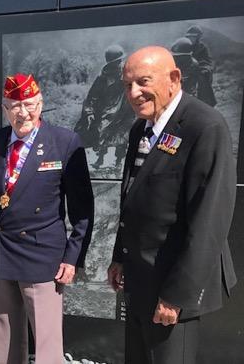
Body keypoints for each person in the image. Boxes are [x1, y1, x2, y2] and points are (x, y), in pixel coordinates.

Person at [107, 46, 237, 364]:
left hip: (171, 286)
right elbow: (133, 197)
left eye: (143, 82)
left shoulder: (205, 127)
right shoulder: (142, 128)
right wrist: (119, 257)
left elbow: (210, 221)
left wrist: (177, 295)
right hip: (139, 278)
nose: (134, 93)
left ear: (174, 79)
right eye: (127, 85)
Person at [0, 73, 94, 364]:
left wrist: (72, 257)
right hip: (5, 249)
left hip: (42, 254)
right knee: (6, 332)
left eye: (31, 104)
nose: (24, 113)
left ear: (41, 103)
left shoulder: (64, 142)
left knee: (46, 342)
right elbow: (3, 195)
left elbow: (82, 208)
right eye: (15, 106)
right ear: (5, 107)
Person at [75, 45, 134, 168]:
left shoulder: (128, 73)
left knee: (123, 135)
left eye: (119, 61)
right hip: (108, 110)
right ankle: (100, 159)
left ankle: (118, 161)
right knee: (102, 131)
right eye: (116, 61)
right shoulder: (103, 76)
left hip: (125, 108)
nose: (118, 63)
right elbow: (92, 96)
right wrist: (90, 112)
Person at [184, 25, 217, 106]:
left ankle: (206, 104)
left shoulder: (202, 47)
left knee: (203, 79)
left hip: (201, 70)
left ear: (198, 37)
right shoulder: (184, 47)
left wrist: (205, 68)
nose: (191, 39)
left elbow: (208, 61)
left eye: (193, 37)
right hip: (188, 70)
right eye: (189, 37)